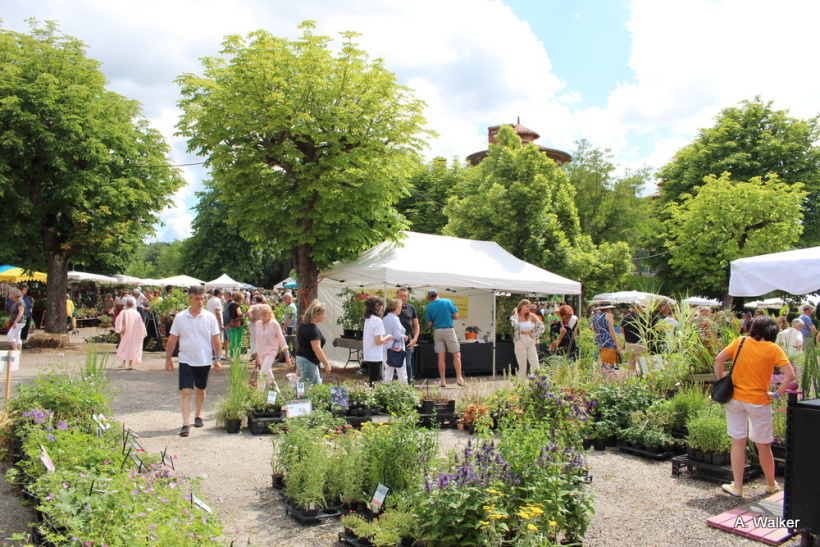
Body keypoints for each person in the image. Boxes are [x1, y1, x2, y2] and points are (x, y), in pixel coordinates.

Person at [714, 316, 795, 498]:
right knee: (763, 445)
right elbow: (790, 375)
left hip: (734, 399)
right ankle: (770, 484)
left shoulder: (741, 341)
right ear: (773, 332)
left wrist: (721, 382)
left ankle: (737, 487)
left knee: (738, 442)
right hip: (758, 401)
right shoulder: (774, 349)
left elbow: (719, 359)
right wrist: (776, 394)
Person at [164, 286, 222, 437]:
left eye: (202, 298)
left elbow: (215, 339)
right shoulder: (181, 317)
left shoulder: (209, 317)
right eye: (196, 298)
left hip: (204, 359)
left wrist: (217, 359)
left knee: (200, 390)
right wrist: (168, 358)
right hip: (186, 360)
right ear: (189, 299)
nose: (200, 301)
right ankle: (185, 423)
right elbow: (172, 338)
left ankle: (198, 414)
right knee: (186, 391)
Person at [425, 290, 464, 387]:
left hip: (438, 331)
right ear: (438, 295)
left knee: (441, 357)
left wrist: (437, 320)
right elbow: (456, 316)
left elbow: (429, 324)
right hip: (449, 330)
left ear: (429, 298)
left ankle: (443, 380)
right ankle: (459, 378)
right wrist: (448, 317)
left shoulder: (429, 306)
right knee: (456, 354)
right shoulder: (447, 301)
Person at [254, 304, 291, 391]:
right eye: (261, 316)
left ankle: (258, 395)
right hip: (261, 352)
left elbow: (281, 339)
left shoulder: (274, 324)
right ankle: (277, 394)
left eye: (265, 315)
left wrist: (287, 354)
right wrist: (256, 354)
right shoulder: (258, 324)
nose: (262, 317)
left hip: (271, 352)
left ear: (269, 314)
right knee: (268, 375)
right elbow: (257, 339)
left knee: (262, 374)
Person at [294, 299, 332, 385]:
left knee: (317, 385)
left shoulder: (303, 325)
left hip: (305, 359)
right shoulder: (313, 329)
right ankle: (299, 398)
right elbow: (317, 349)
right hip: (308, 361)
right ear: (315, 315)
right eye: (322, 314)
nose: (324, 316)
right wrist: (326, 364)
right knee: (305, 387)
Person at [510, 299, 544, 379]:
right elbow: (514, 324)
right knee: (523, 365)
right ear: (521, 306)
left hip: (529, 339)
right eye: (527, 306)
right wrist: (515, 313)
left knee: (535, 363)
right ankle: (522, 384)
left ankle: (537, 383)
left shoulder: (531, 315)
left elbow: (541, 326)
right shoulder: (515, 316)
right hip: (520, 340)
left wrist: (535, 334)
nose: (529, 308)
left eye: (529, 306)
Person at [362, 296, 392, 384]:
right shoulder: (377, 320)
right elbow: (378, 341)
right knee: (375, 382)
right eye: (381, 305)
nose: (382, 307)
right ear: (377, 306)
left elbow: (375, 338)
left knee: (373, 380)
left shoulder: (368, 319)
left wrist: (383, 340)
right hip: (375, 355)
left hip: (369, 353)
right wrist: (388, 337)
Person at [114, 296, 148, 370]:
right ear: (133, 305)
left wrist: (118, 329)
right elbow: (141, 323)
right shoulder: (136, 313)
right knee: (133, 346)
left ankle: (124, 362)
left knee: (125, 346)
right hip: (135, 332)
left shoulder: (124, 312)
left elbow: (118, 320)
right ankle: (130, 364)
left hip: (126, 331)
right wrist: (143, 332)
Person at [396, 288, 420, 384]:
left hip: (408, 341)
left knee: (408, 364)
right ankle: (395, 385)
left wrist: (415, 339)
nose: (403, 298)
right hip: (395, 340)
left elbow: (416, 324)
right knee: (394, 363)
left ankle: (409, 386)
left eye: (405, 296)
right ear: (397, 296)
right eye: (401, 295)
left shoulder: (411, 308)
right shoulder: (391, 308)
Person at [382, 298, 408, 384]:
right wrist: (404, 337)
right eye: (400, 307)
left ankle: (386, 390)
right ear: (396, 307)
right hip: (396, 349)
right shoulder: (395, 319)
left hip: (386, 347)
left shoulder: (385, 318)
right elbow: (397, 335)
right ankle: (404, 390)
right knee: (401, 371)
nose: (401, 308)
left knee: (388, 372)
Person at [592, 300, 621, 368]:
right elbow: (612, 331)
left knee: (599, 361)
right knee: (609, 363)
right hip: (608, 341)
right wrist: (617, 345)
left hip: (597, 340)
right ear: (609, 308)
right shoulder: (609, 315)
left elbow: (594, 330)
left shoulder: (595, 317)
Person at [247, 294, 267, 361]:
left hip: (254, 324)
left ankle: (254, 353)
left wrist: (251, 319)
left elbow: (248, 312)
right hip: (262, 324)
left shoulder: (253, 306)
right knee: (261, 339)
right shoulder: (264, 306)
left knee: (253, 339)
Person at [227, 291, 245, 359]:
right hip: (238, 324)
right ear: (240, 299)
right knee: (238, 340)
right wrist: (239, 317)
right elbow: (239, 313)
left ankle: (231, 354)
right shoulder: (237, 306)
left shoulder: (230, 305)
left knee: (232, 340)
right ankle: (237, 355)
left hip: (231, 324)